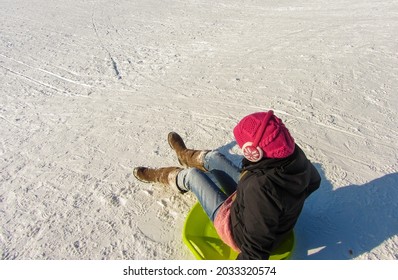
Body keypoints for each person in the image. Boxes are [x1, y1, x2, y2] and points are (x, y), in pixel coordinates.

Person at [133, 110, 321, 259]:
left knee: (193, 176)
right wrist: (285, 207)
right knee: (214, 157)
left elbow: (255, 252)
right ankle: (185, 155)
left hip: (235, 230)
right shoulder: (293, 153)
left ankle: (162, 176)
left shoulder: (261, 187)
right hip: (248, 202)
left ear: (254, 152)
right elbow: (314, 181)